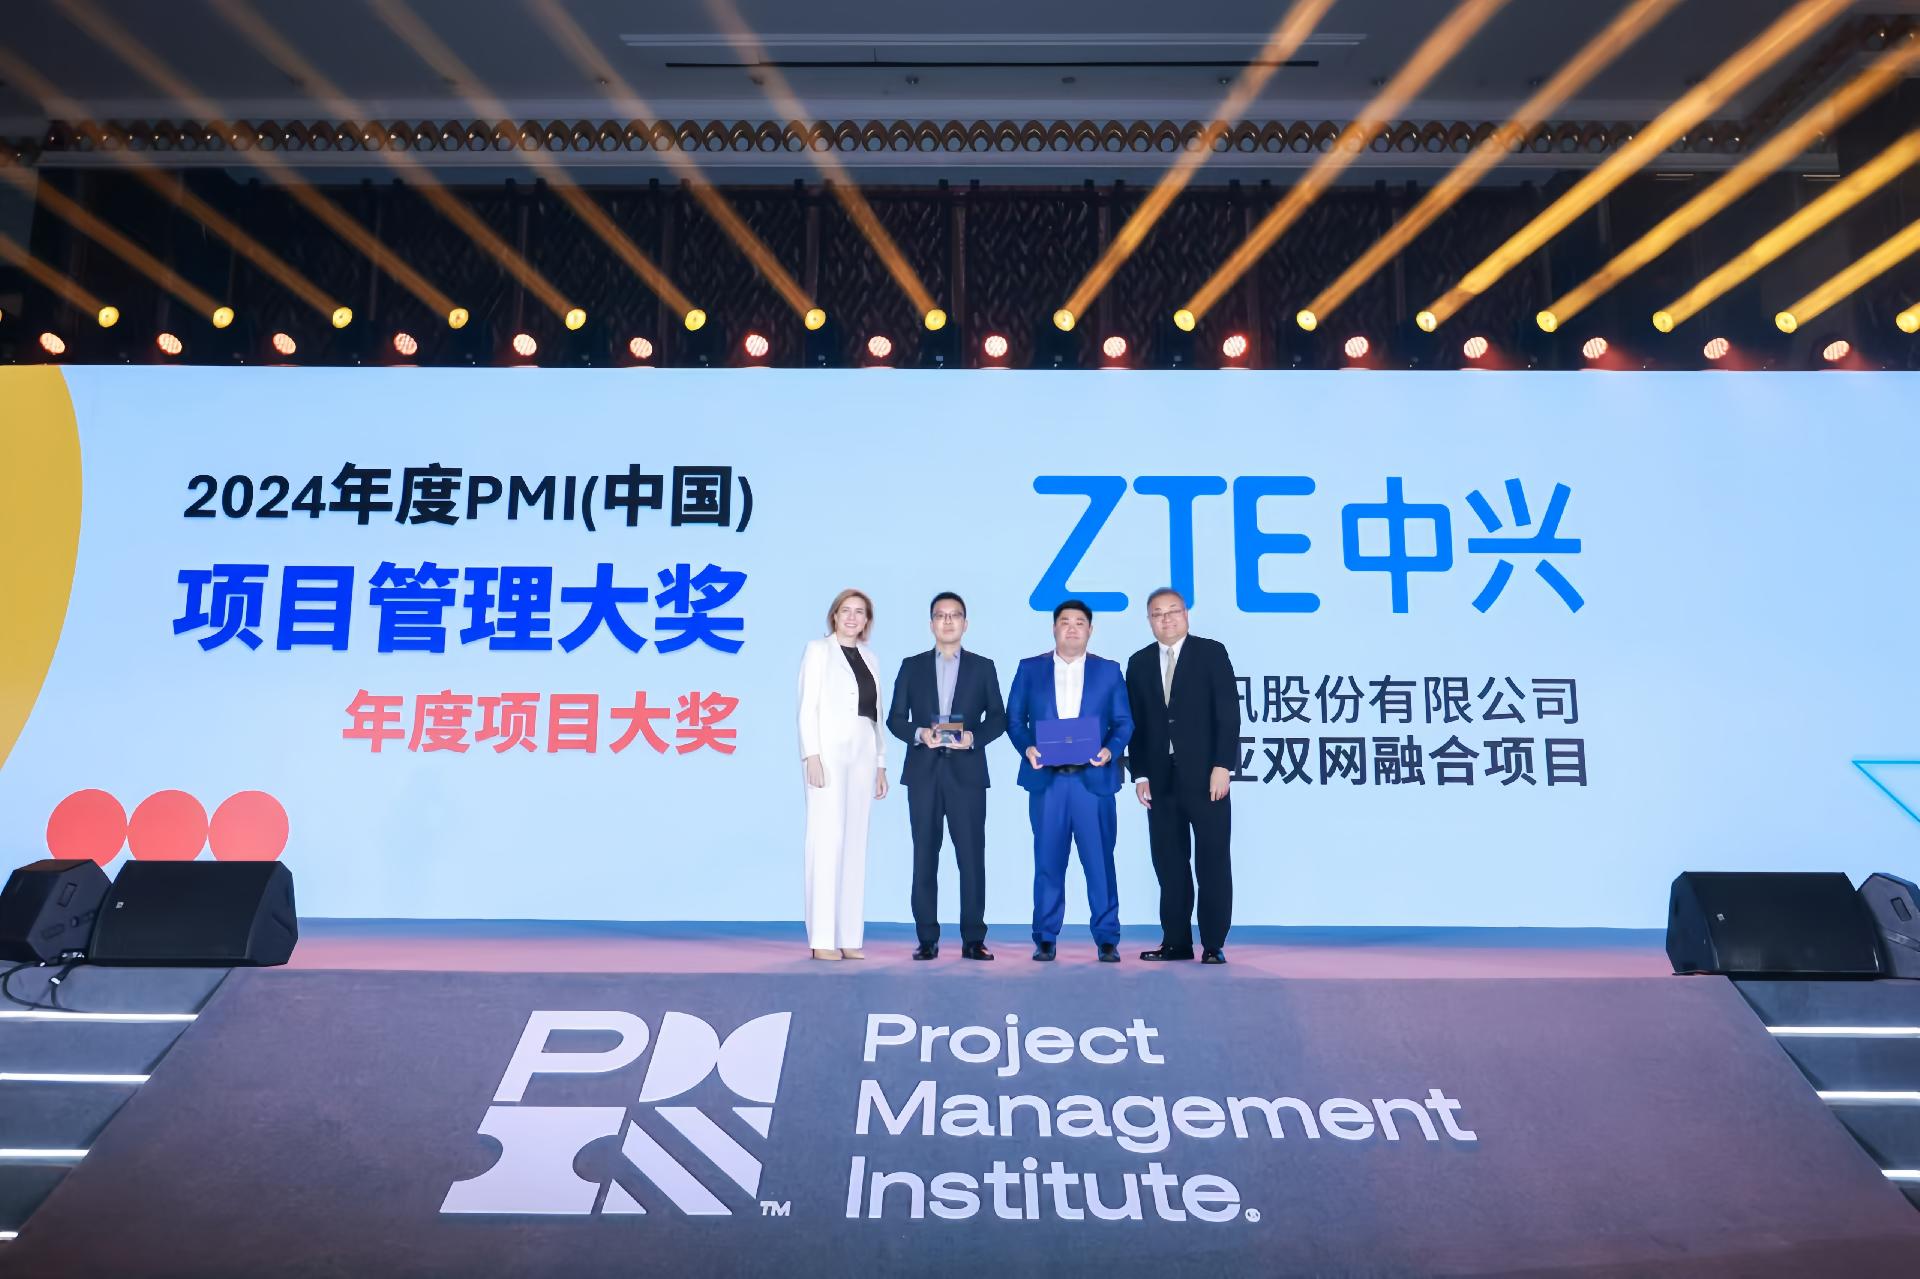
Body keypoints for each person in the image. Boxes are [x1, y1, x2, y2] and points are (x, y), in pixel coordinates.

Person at [1006, 599, 1133, 963]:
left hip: (1093, 781)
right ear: (1054, 628)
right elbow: (1014, 719)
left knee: (1100, 862)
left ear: (1090, 630)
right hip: (1048, 783)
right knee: (1048, 861)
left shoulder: (1108, 671)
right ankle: (1045, 936)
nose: (1072, 628)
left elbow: (1124, 722)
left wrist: (1110, 750)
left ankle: (1107, 938)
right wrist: (1027, 748)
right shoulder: (1030, 669)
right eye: (1065, 621)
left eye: (1080, 622)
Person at [886, 592, 1007, 961]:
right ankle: (927, 938)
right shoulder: (911, 666)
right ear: (931, 624)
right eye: (941, 615)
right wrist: (919, 733)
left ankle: (973, 939)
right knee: (924, 856)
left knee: (971, 858)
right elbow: (895, 719)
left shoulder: (983, 667)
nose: (948, 621)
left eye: (955, 615)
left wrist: (973, 738)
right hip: (923, 773)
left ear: (965, 624)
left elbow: (998, 718)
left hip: (967, 774)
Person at [1124, 588, 1238, 964]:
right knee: (1169, 863)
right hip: (1160, 780)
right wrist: (1140, 773)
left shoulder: (1211, 653)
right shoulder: (1139, 662)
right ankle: (1176, 942)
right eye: (1157, 614)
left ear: (1186, 614)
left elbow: (1227, 713)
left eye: (1173, 611)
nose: (1166, 619)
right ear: (1149, 620)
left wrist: (1223, 766)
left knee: (1212, 861)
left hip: (1207, 778)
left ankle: (1213, 943)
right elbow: (1136, 724)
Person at [797, 588, 889, 961]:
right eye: (845, 610)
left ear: (867, 620)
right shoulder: (818, 651)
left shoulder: (871, 658)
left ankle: (849, 935)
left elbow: (876, 714)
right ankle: (822, 937)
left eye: (860, 612)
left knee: (855, 844)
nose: (852, 617)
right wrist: (811, 755)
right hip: (829, 753)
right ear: (834, 616)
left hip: (863, 751)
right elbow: (807, 707)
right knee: (826, 839)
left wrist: (880, 763)